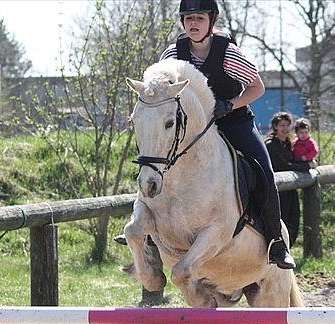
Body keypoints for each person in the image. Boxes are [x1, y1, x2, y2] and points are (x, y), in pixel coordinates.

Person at [118, 0, 295, 269]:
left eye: (199, 18)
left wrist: (231, 104)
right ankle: (147, 231)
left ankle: (275, 242)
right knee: (158, 163)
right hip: (191, 130)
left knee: (264, 170)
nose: (193, 23)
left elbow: (257, 88)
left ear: (211, 21)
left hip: (233, 122)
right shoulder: (172, 54)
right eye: (188, 18)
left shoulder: (229, 54)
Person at [265, 112, 301, 246]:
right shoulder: (271, 145)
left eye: (287, 125)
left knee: (294, 220)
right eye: (282, 125)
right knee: (282, 221)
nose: (285, 129)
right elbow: (284, 165)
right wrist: (307, 165)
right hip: (278, 190)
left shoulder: (289, 144)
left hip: (290, 188)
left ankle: (288, 248)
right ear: (275, 127)